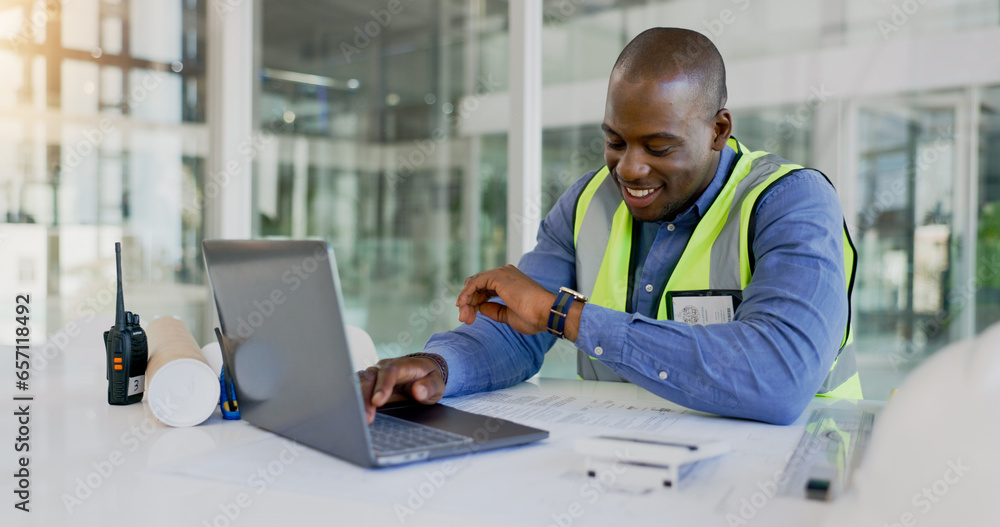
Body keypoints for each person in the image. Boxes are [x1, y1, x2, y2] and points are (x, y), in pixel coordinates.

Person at [359, 27, 859, 426]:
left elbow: (780, 375)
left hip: (790, 477)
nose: (629, 169)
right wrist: (439, 369)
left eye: (658, 147)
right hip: (617, 467)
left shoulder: (792, 201)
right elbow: (516, 334)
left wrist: (565, 315)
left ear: (718, 130)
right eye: (615, 141)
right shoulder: (587, 201)